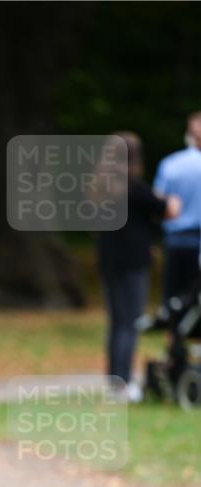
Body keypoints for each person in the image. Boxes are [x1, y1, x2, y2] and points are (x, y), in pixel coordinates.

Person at [97, 133, 179, 402]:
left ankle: (114, 380)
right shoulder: (135, 187)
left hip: (108, 260)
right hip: (133, 263)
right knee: (130, 323)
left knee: (116, 322)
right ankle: (124, 383)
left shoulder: (101, 187)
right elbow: (167, 208)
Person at [153, 112, 201, 301]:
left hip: (177, 240)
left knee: (173, 299)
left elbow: (159, 206)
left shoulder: (171, 164)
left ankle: (173, 330)